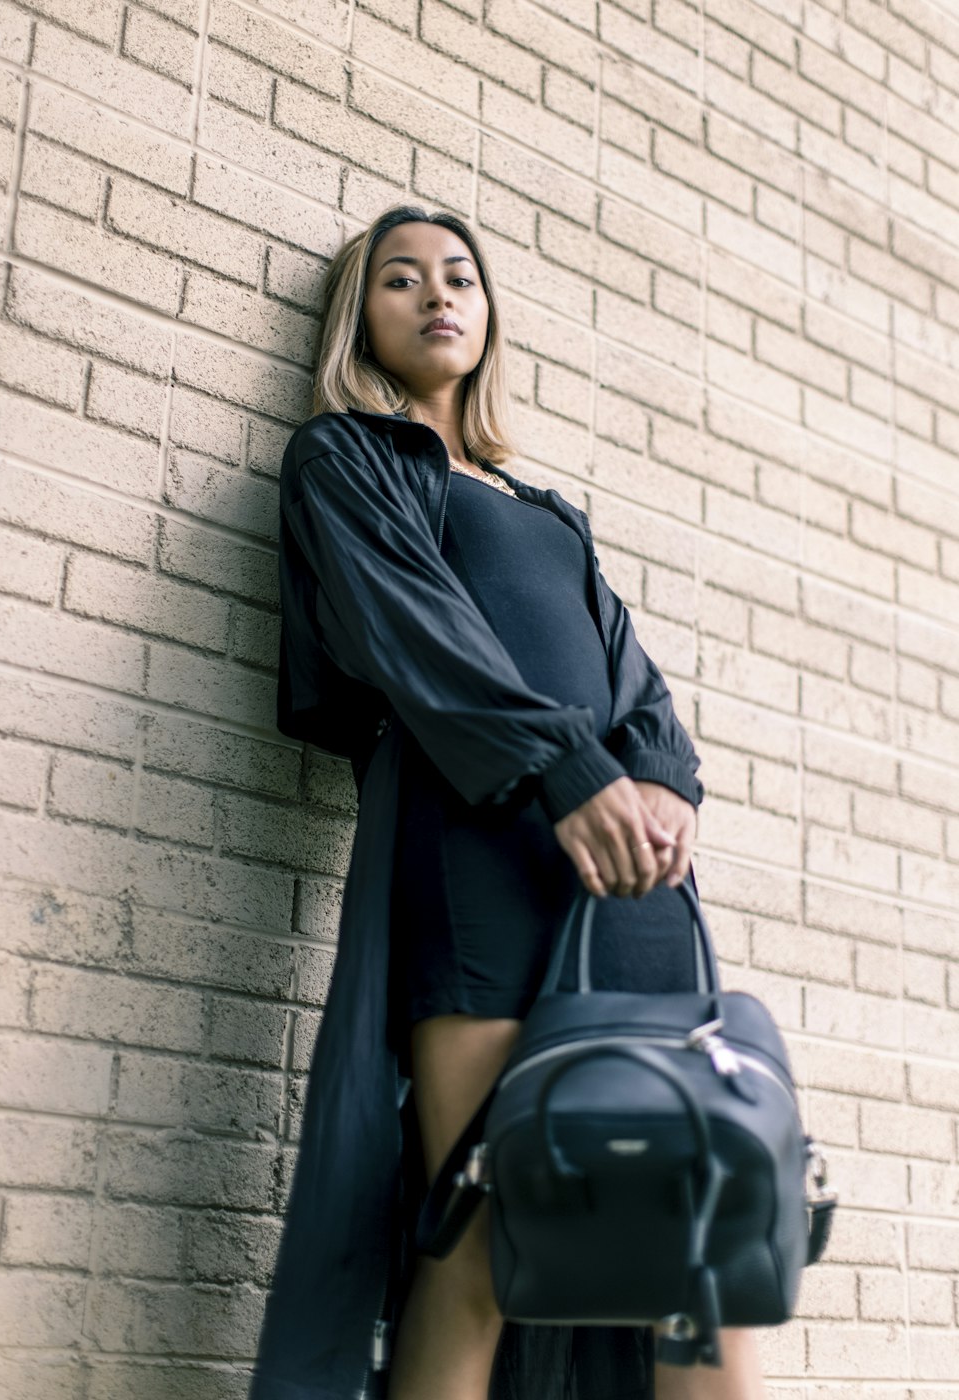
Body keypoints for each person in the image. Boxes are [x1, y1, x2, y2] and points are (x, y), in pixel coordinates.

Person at [253, 204, 766, 1400]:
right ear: (358, 317)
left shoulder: (549, 513)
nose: (438, 295)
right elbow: (419, 641)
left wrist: (659, 779)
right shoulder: (346, 458)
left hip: (626, 878)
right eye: (400, 279)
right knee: (484, 1224)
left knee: (690, 1240)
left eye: (461, 277)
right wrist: (568, 773)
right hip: (474, 852)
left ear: (489, 315)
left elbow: (636, 683)